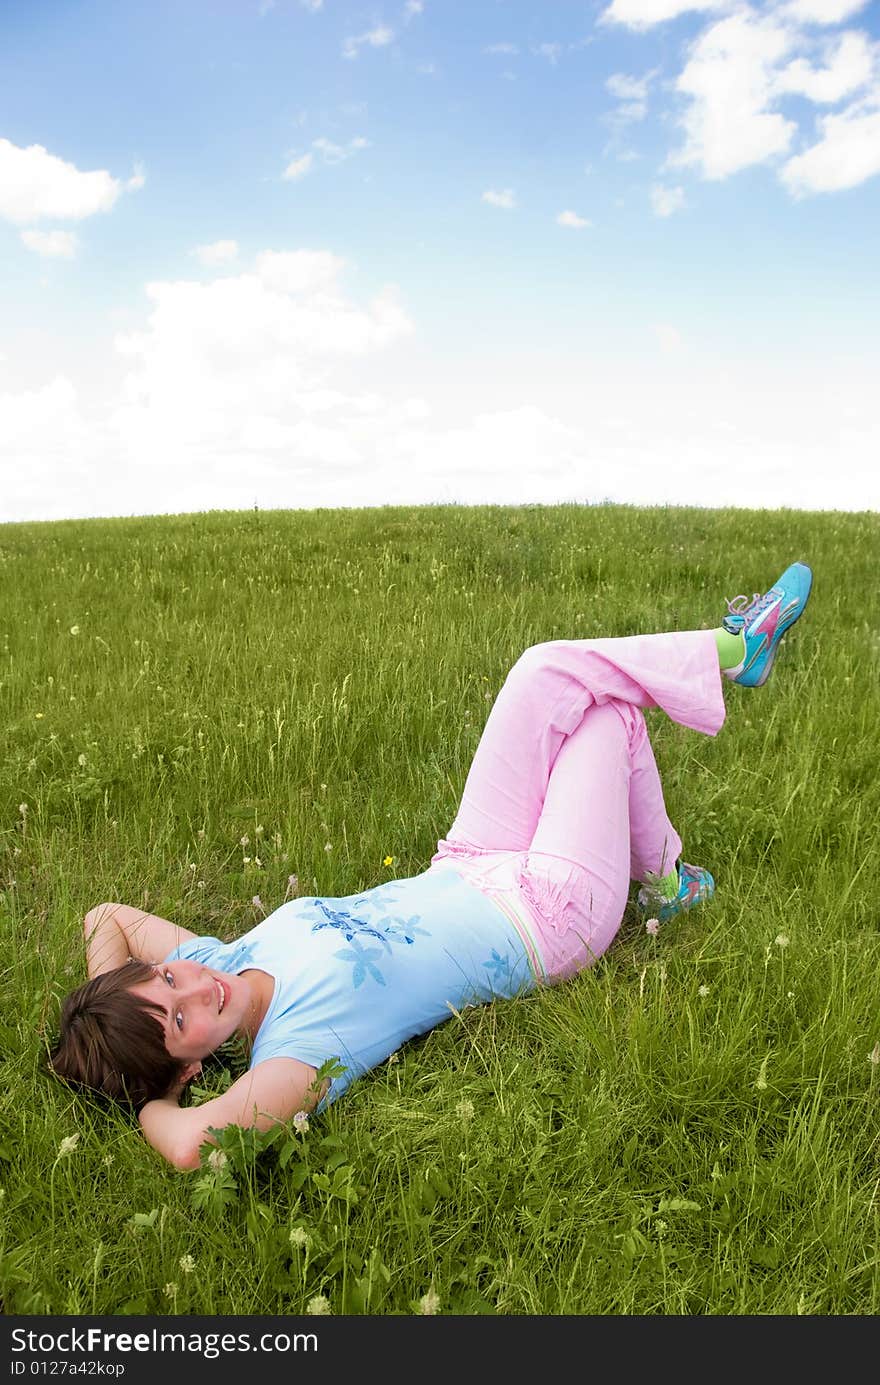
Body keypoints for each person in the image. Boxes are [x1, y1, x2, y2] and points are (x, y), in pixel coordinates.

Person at [49, 561, 813, 1170]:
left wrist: (107, 1005)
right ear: (190, 1067)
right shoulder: (296, 1048)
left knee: (544, 670)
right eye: (182, 1021)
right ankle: (671, 871)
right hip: (543, 916)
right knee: (610, 717)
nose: (194, 988)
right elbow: (191, 1147)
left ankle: (734, 656)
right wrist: (149, 1098)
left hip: (469, 860)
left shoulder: (216, 960)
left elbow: (104, 917)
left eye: (169, 982)